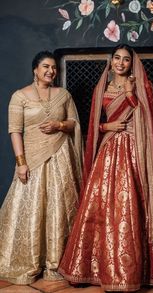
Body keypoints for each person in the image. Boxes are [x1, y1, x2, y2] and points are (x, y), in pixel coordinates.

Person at [58, 44, 153, 291]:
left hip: (135, 149)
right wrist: (106, 128)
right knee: (101, 204)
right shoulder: (101, 87)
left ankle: (140, 273)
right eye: (117, 58)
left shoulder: (142, 86)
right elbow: (93, 123)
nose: (121, 63)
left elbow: (147, 118)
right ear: (111, 61)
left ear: (131, 63)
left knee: (131, 204)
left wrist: (130, 92)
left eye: (126, 59)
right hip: (108, 148)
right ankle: (90, 268)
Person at [0, 51, 83, 285]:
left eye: (54, 67)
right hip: (33, 161)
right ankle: (32, 260)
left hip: (61, 159)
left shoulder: (63, 94)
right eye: (45, 66)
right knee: (33, 210)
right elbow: (15, 131)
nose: (51, 71)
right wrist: (21, 163)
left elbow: (74, 123)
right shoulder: (20, 96)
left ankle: (58, 262)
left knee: (60, 208)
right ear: (35, 69)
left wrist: (59, 124)